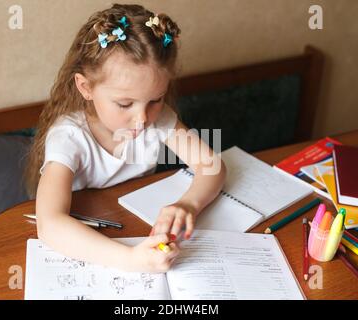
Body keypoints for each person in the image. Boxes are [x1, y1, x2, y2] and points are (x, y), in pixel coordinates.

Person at [24, 4, 226, 273]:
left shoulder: (160, 118)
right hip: (89, 244)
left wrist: (188, 203)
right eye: (124, 104)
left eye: (155, 99)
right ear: (86, 88)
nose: (142, 119)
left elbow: (211, 165)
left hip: (134, 224)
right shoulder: (69, 136)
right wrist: (131, 260)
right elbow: (49, 224)